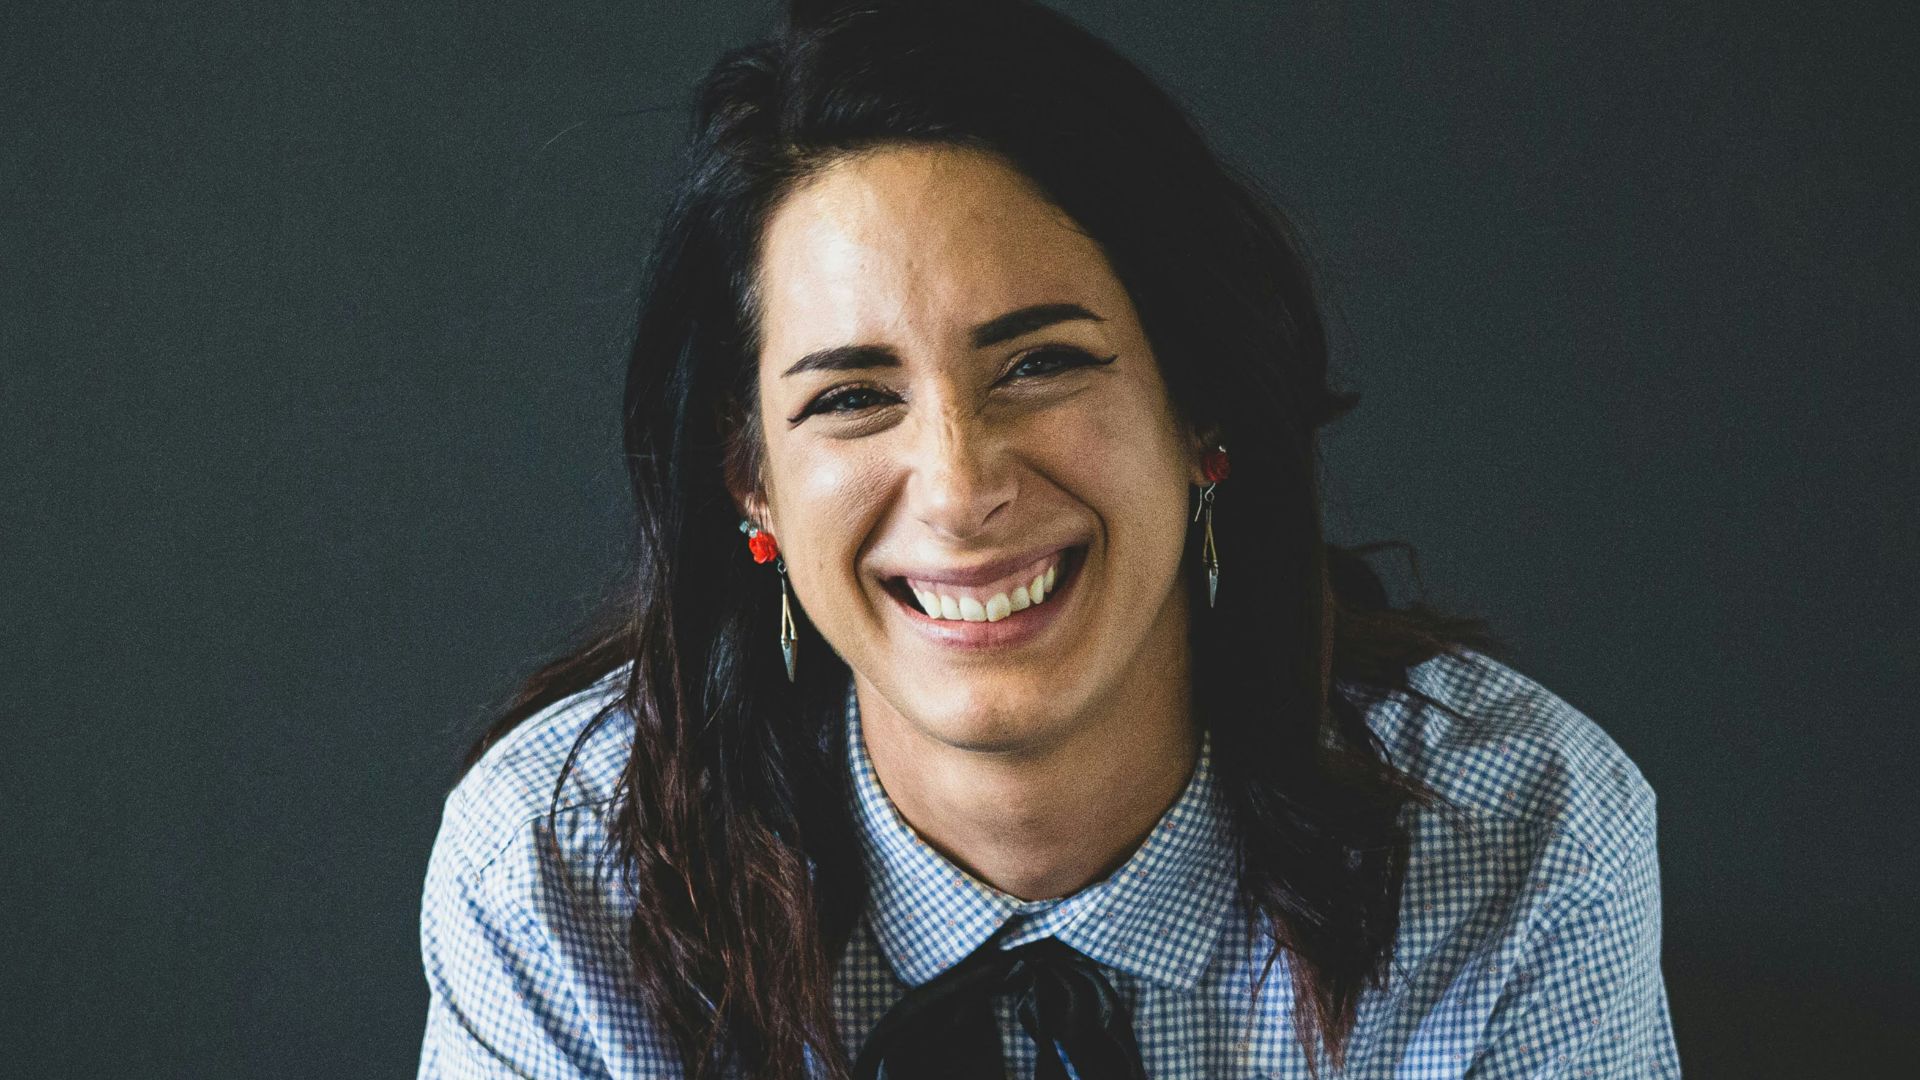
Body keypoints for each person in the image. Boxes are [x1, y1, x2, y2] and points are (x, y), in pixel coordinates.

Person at [414, 1, 1681, 1077]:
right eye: (853, 397)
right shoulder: (559, 880)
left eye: (1040, 364)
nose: (960, 489)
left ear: (1204, 411)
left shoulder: (1517, 839)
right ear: (754, 489)